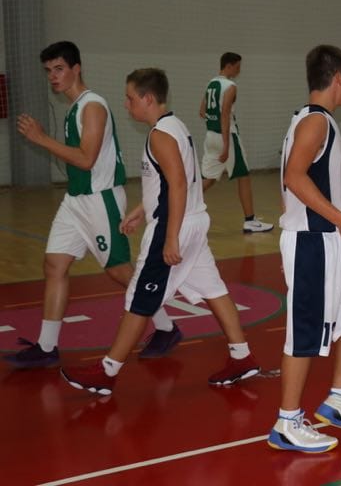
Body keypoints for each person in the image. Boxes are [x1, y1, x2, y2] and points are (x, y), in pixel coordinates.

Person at [60, 68, 260, 395]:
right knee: (213, 289)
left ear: (148, 98)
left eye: (130, 98)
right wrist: (142, 210)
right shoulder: (175, 126)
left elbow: (178, 185)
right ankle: (242, 356)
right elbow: (172, 182)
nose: (126, 104)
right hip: (193, 220)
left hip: (175, 226)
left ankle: (107, 372)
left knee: (139, 298)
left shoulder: (160, 135)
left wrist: (170, 237)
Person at [5, 42, 180, 369]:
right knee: (54, 264)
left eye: (59, 69)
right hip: (75, 200)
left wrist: (41, 138)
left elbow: (86, 159)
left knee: (119, 270)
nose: (53, 76)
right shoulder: (75, 108)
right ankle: (47, 346)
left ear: (76, 68)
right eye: (48, 71)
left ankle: (167, 327)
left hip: (100, 200)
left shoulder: (93, 106)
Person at [267, 44, 341, 454]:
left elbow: (291, 184)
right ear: (339, 77)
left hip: (332, 242)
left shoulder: (309, 119)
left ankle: (338, 398)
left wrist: (338, 226)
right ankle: (287, 422)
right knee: (304, 335)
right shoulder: (315, 121)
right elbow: (294, 177)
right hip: (314, 243)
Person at [200, 52, 273, 233]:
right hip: (227, 137)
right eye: (238, 67)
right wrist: (226, 145)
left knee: (209, 178)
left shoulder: (211, 83)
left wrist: (214, 122)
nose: (239, 70)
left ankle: (181, 205)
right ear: (229, 65)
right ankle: (250, 221)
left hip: (210, 136)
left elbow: (202, 111)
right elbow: (225, 115)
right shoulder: (230, 86)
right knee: (244, 176)